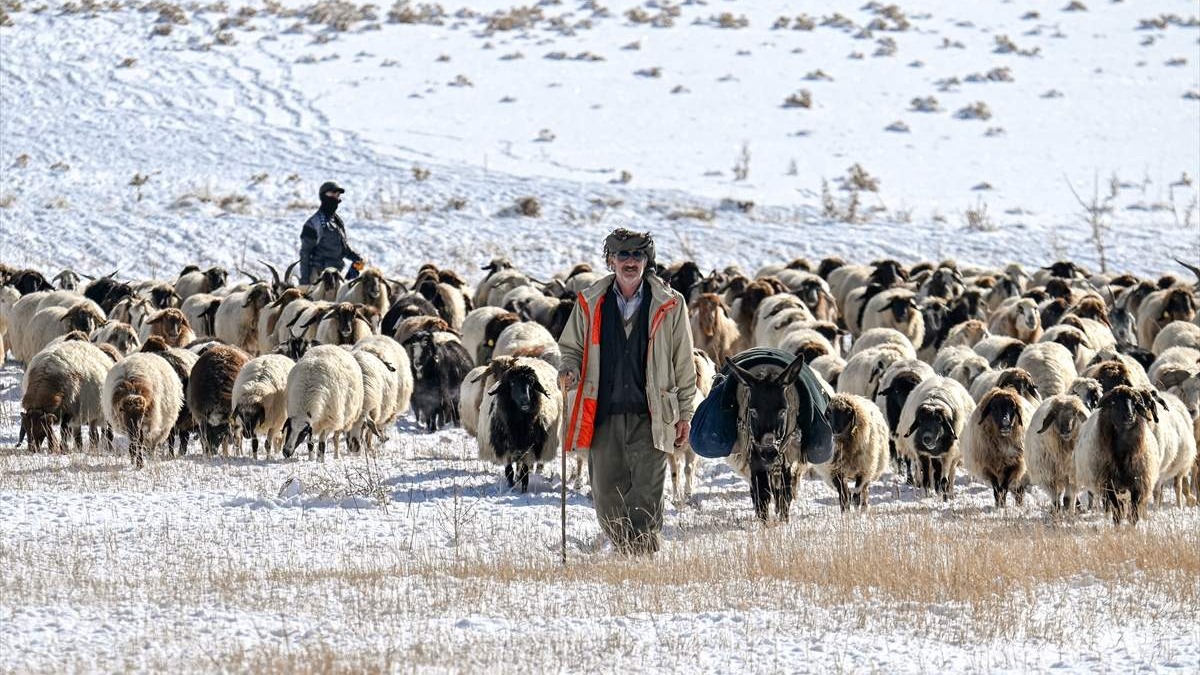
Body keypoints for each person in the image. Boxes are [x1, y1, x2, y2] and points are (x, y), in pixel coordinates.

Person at [558, 228, 697, 555]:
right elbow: (571, 347)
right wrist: (569, 368)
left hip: (651, 412)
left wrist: (685, 414)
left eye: (637, 255)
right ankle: (624, 548)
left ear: (647, 260)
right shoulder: (590, 302)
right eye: (623, 255)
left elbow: (683, 364)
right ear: (610, 260)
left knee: (646, 492)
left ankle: (643, 556)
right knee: (605, 491)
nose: (630, 261)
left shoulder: (670, 305)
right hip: (602, 410)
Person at [299, 181, 364, 285]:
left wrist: (356, 259)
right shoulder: (313, 223)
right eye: (332, 194)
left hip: (336, 275)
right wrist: (304, 282)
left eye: (337, 195)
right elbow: (305, 254)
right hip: (319, 277)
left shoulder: (337, 221)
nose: (335, 197)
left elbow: (342, 247)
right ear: (323, 196)